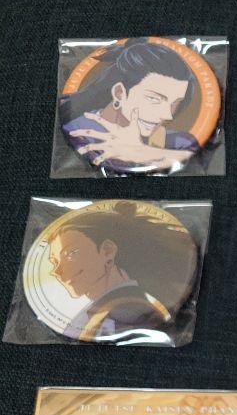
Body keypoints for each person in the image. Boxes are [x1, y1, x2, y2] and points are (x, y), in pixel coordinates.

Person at [46, 201, 198, 341]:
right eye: (54, 261)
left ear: (107, 251)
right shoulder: (104, 310)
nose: (56, 271)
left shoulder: (124, 311)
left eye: (71, 254)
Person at [60, 38, 201, 172]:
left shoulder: (178, 141)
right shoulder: (76, 132)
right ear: (119, 93)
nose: (167, 115)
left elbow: (195, 159)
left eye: (175, 103)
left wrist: (144, 153)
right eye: (154, 99)